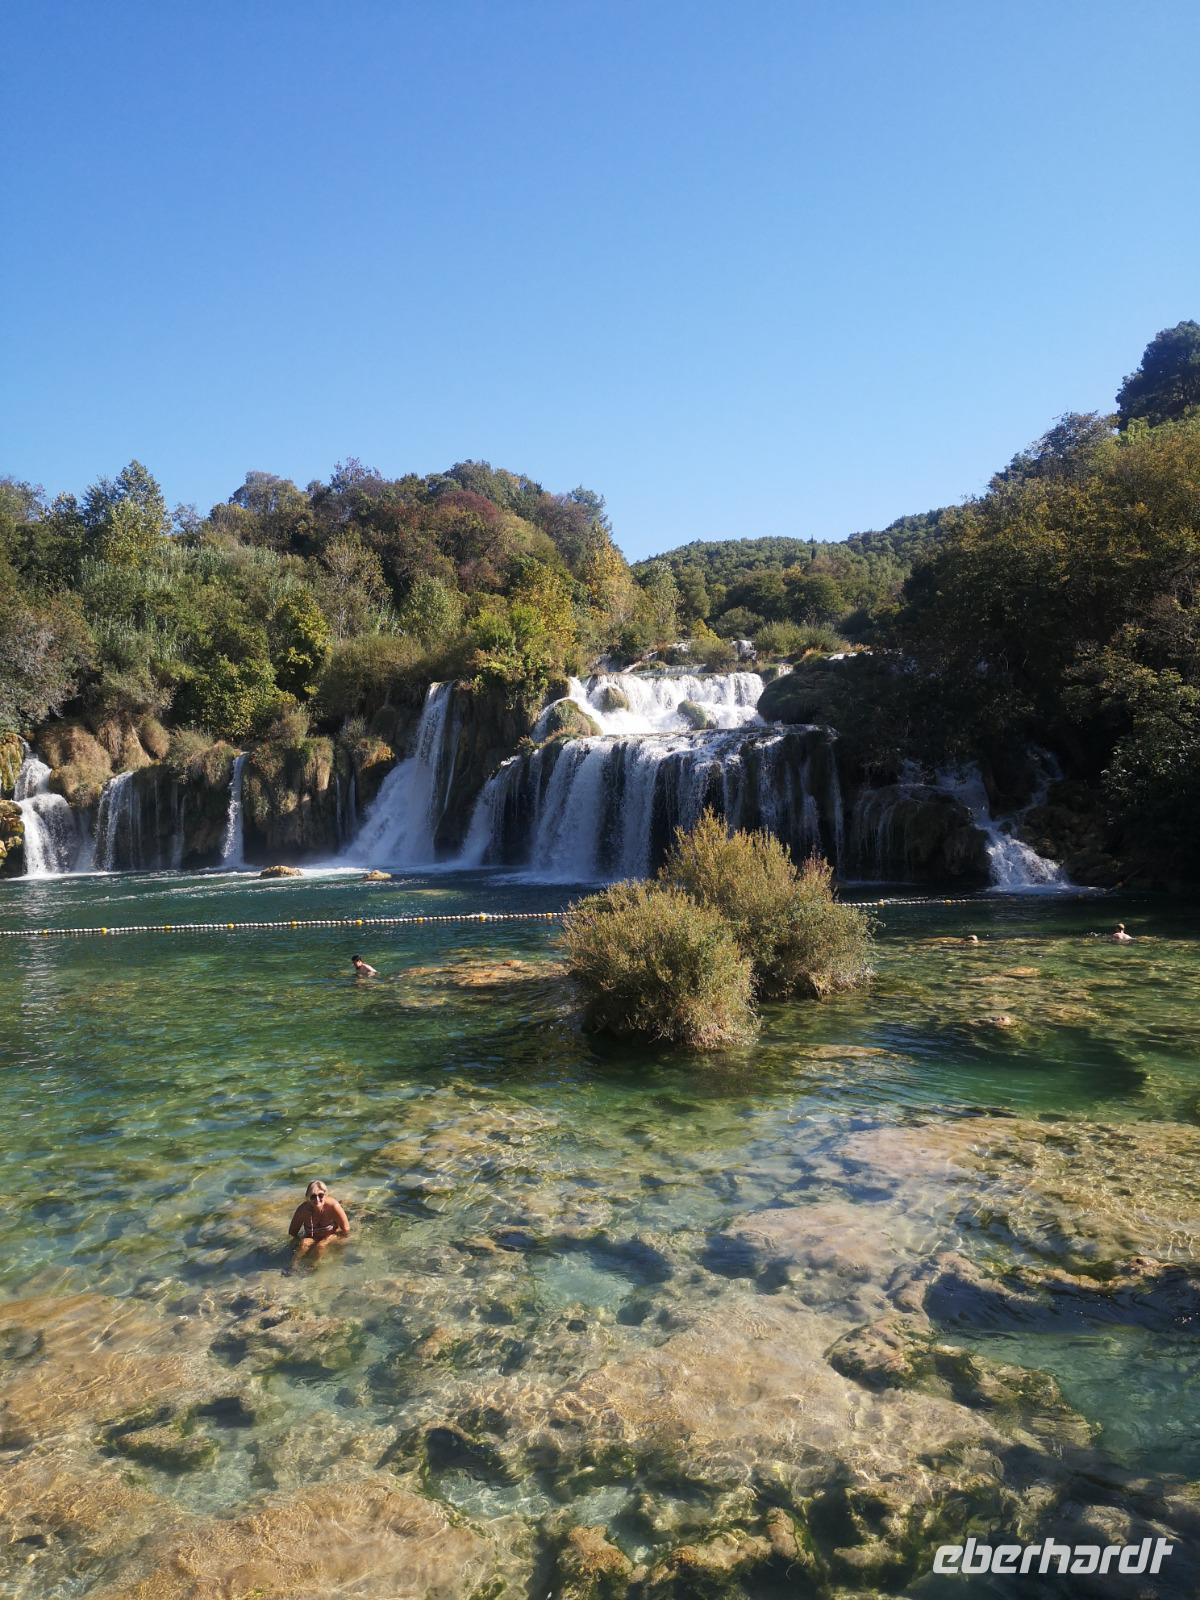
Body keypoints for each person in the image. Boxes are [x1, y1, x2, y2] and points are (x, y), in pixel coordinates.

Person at [288, 1180, 350, 1261]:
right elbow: (292, 1233)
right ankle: (293, 1267)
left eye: (321, 1195)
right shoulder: (302, 1210)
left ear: (326, 1195)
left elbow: (346, 1230)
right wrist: (295, 1246)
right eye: (313, 1196)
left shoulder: (333, 1206)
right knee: (304, 1243)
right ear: (307, 1197)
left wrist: (331, 1241)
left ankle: (313, 1268)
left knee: (321, 1246)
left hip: (330, 1236)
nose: (317, 1199)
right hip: (312, 1237)